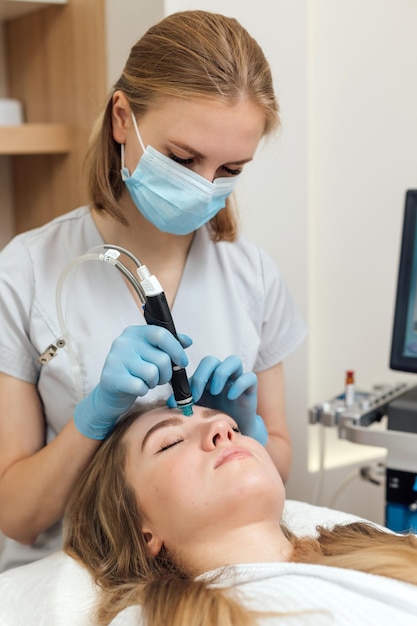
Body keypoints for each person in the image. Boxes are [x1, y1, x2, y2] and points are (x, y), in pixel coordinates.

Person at [0, 10, 306, 571]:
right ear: (123, 117)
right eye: (183, 159)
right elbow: (15, 515)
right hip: (72, 573)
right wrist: (93, 417)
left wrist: (251, 432)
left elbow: (279, 456)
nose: (203, 186)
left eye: (230, 169)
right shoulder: (24, 272)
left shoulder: (252, 275)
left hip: (215, 566)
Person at [62, 401, 417, 626]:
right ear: (143, 533)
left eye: (233, 426)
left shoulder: (375, 549)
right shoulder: (158, 618)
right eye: (170, 442)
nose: (222, 430)